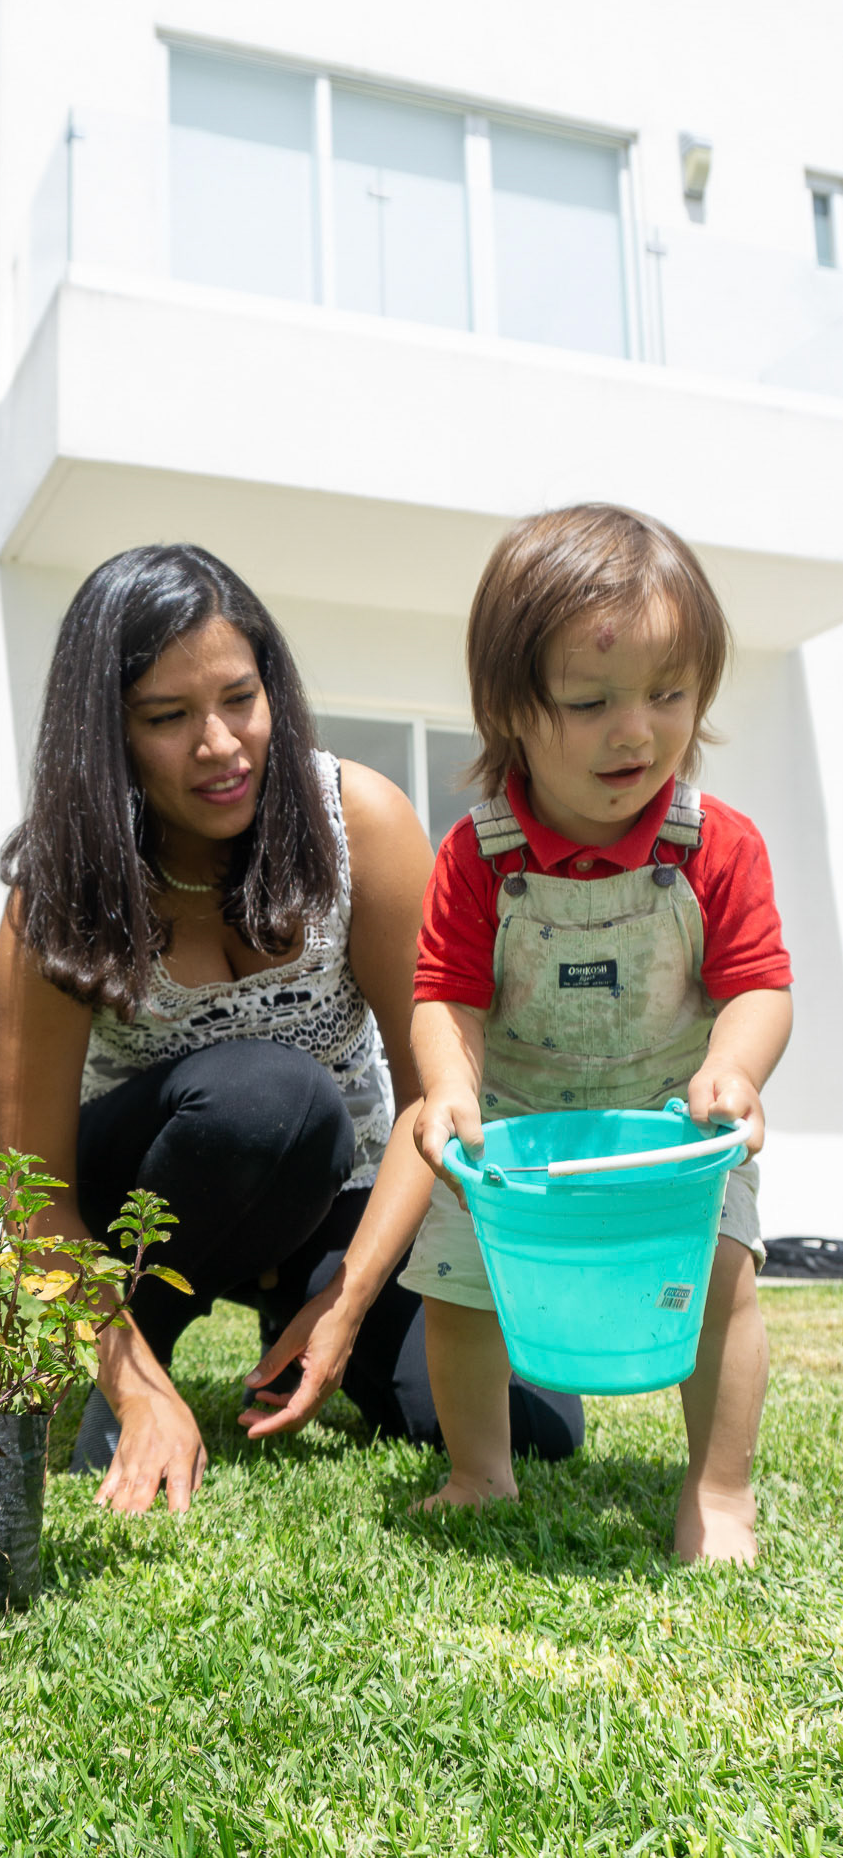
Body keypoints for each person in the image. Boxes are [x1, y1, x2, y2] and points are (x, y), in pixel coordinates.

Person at [0, 543, 584, 1515]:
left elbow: (435, 1097)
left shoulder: (360, 822)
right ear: (105, 735)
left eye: (237, 698)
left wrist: (345, 1300)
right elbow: (31, 1200)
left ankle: (285, 1299)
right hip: (140, 1194)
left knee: (536, 1423)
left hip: (329, 1184)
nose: (219, 743)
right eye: (167, 717)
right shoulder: (60, 893)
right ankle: (146, 1360)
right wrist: (130, 1384)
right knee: (268, 1098)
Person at [406, 504, 793, 1564]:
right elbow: (444, 992)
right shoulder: (476, 855)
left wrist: (733, 1066)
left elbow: (759, 984)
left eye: (667, 694)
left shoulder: (716, 845)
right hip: (518, 1121)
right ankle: (477, 1468)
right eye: (590, 700)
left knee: (723, 1277)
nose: (636, 730)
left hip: (678, 1118)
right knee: (456, 1282)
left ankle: (717, 1490)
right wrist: (448, 1088)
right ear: (510, 711)